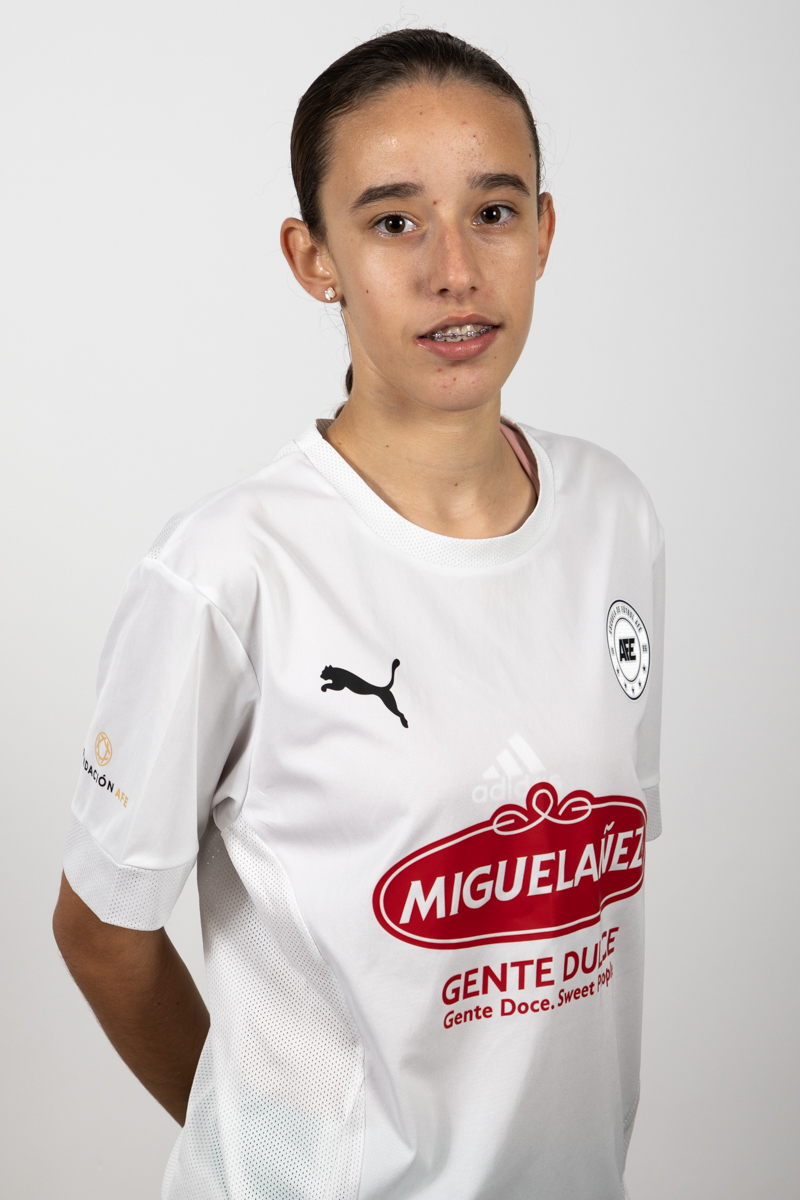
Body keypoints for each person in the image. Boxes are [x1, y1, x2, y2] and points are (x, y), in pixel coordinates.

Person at [53, 27, 664, 1200]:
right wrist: (270, 1163)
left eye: (491, 213)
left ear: (542, 232)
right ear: (312, 257)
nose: (453, 270)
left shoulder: (611, 516)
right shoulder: (228, 570)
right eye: (392, 222)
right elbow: (101, 932)